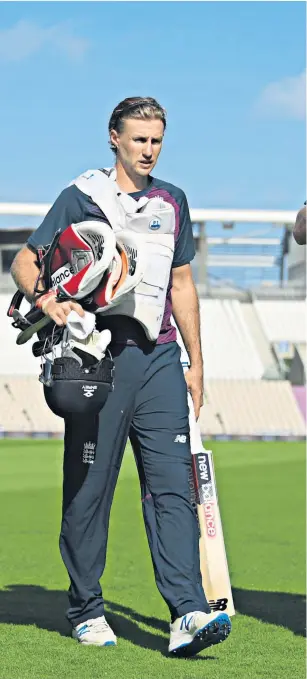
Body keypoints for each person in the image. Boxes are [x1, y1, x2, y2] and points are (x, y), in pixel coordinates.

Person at [10, 97, 231, 657]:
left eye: (156, 140)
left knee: (172, 489)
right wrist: (48, 302)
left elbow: (182, 284)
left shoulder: (173, 201)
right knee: (89, 489)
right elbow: (25, 261)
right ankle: (87, 610)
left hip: (159, 359)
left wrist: (196, 363)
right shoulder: (81, 196)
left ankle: (187, 611)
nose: (149, 150)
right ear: (114, 138)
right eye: (139, 139)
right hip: (97, 359)